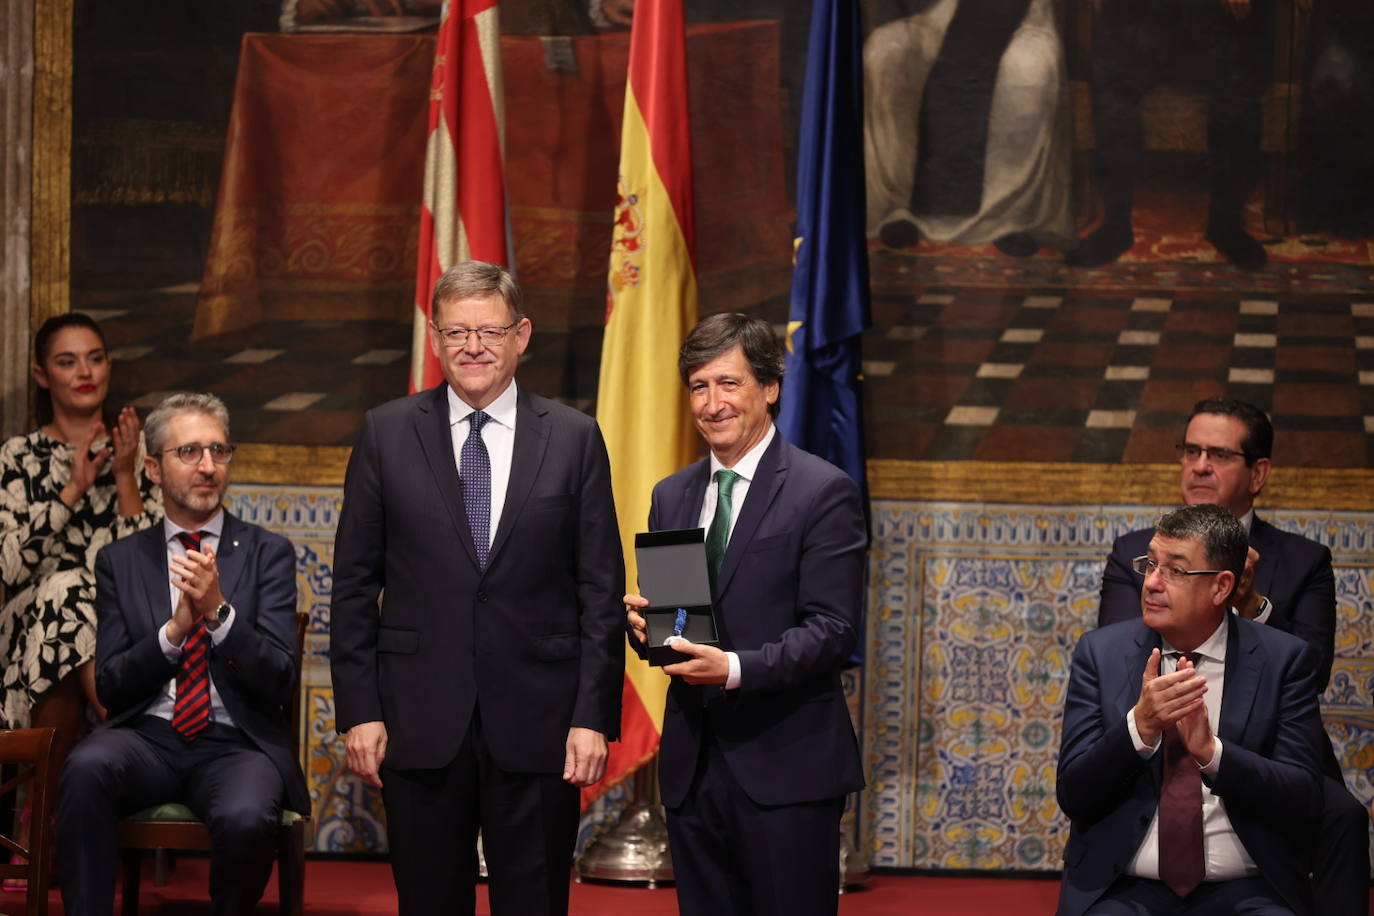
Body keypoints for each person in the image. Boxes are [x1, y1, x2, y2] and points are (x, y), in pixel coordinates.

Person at [329, 261, 624, 915]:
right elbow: (352, 585)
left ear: (522, 335)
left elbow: (599, 588)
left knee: (535, 901)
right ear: (434, 339)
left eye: (488, 331)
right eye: (456, 332)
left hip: (541, 721)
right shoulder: (385, 432)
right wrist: (360, 708)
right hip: (418, 719)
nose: (472, 348)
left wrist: (591, 715)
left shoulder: (574, 439)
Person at [624, 313, 866, 916]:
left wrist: (732, 667)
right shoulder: (672, 494)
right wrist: (647, 634)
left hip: (787, 770)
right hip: (691, 770)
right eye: (700, 387)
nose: (713, 403)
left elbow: (833, 631)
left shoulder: (822, 490)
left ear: (770, 388)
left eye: (729, 384)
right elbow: (680, 625)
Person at [1097, 397, 1368, 915]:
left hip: (1268, 737)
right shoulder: (1137, 552)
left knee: (1343, 816)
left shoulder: (1303, 560)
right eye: (1191, 450)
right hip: (1165, 731)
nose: (1200, 464)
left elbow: (1312, 673)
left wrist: (1250, 605)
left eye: (1219, 454)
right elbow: (1116, 658)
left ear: (1258, 472)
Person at [55, 392, 309, 914]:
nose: (209, 467)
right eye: (189, 452)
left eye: (219, 450)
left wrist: (219, 613)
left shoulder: (268, 554)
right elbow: (112, 685)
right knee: (84, 769)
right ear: (152, 467)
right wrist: (173, 632)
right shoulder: (120, 561)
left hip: (236, 744)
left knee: (246, 817)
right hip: (145, 739)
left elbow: (279, 679)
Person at [1058, 504, 1328, 915]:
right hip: (1123, 887)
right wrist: (1139, 729)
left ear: (1221, 587)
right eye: (1150, 564)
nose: (1151, 583)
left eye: (1175, 571)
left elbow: (1304, 798)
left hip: (1246, 888)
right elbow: (1074, 794)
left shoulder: (1283, 659)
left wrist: (1212, 755)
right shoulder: (1101, 654)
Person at [0, 314, 160, 788]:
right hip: (22, 634)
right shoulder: (17, 456)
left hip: (120, 628)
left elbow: (150, 571)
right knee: (63, 587)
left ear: (109, 366)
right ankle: (129, 727)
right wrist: (72, 489)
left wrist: (126, 475)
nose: (85, 372)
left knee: (76, 605)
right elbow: (9, 568)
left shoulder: (139, 450)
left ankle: (39, 812)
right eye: (67, 362)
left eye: (94, 359)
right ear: (42, 375)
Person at [1069, 0, 1272, 270]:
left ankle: (1226, 224)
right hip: (1141, 25)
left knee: (1240, 92)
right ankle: (1116, 226)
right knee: (1111, 92)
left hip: (1212, 25)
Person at [864, 0, 1075, 256]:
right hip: (941, 14)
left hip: (1023, 18)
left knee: (1028, 66)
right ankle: (897, 209)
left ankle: (1009, 218)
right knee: (886, 49)